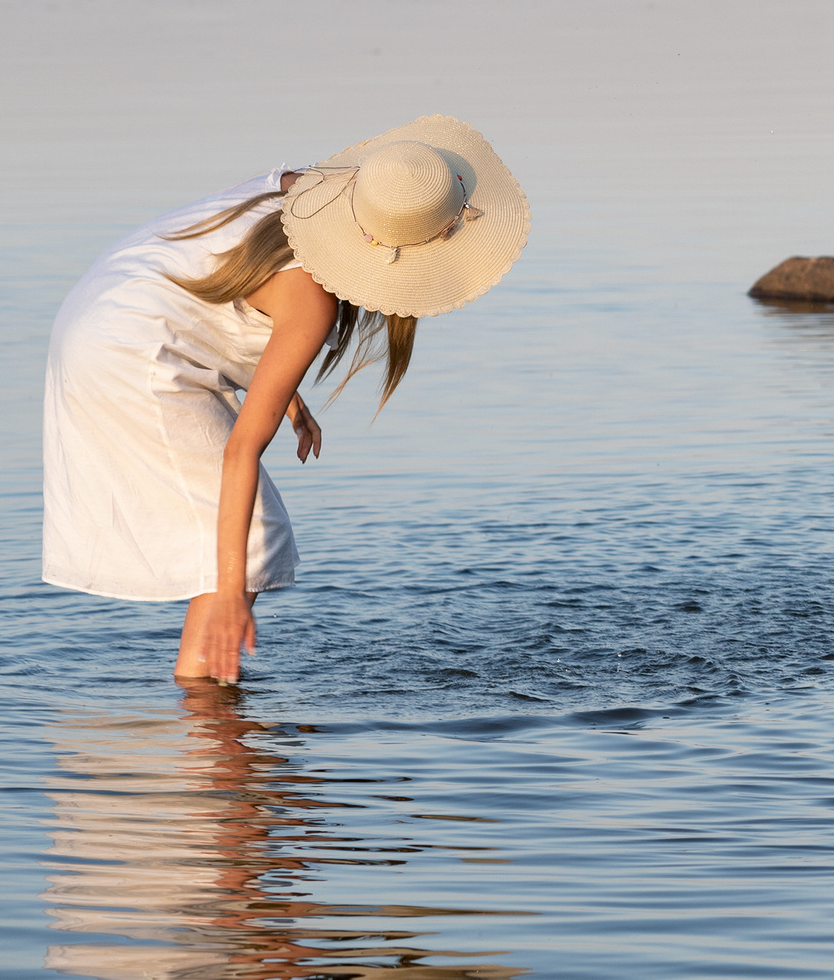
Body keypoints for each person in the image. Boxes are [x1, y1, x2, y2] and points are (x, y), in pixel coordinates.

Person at [43, 114, 529, 683]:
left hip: (108, 301)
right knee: (249, 542)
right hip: (131, 355)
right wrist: (230, 592)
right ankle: (212, 725)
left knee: (240, 540)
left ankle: (211, 716)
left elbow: (223, 286)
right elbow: (241, 450)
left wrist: (287, 395)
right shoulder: (314, 303)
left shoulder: (302, 189)